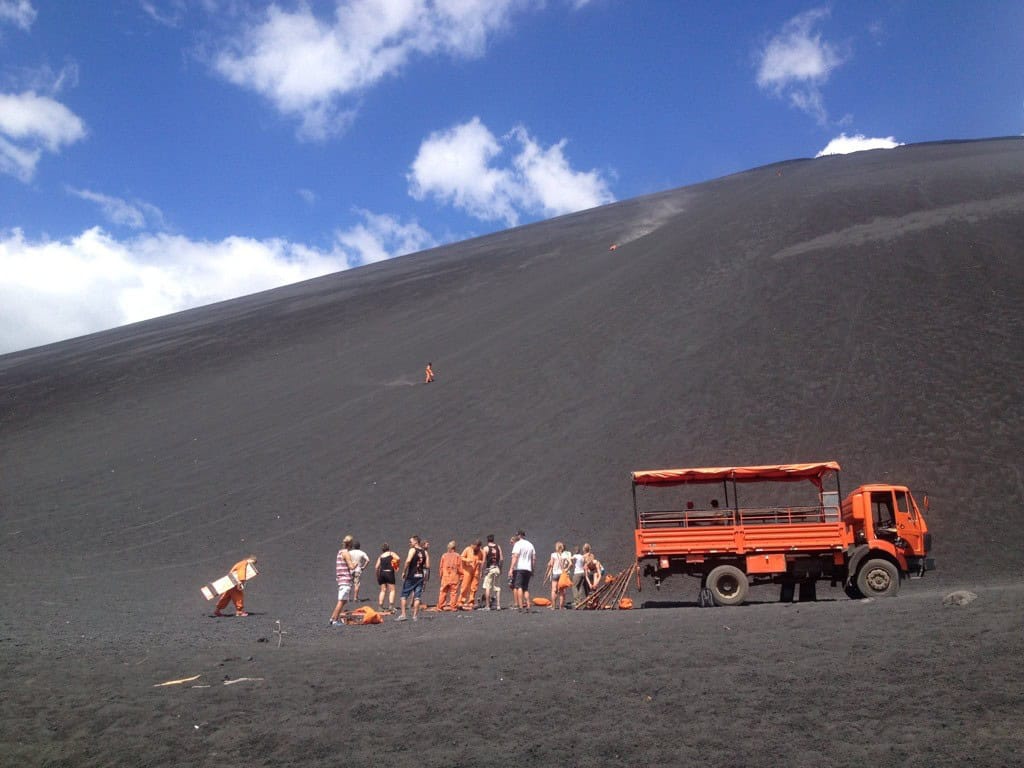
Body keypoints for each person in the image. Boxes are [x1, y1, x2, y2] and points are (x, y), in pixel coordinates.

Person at [397, 535, 428, 622]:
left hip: (411, 576)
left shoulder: (412, 550)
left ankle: (403, 615)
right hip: (420, 576)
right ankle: (415, 616)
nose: (409, 543)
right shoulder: (424, 552)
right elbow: (427, 565)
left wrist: (404, 571)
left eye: (410, 541)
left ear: (415, 542)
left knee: (404, 595)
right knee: (417, 597)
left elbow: (408, 560)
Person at [330, 540, 358, 626]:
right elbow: (351, 567)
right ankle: (334, 620)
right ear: (350, 544)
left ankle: (333, 618)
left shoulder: (340, 552)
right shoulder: (346, 553)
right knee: (341, 601)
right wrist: (356, 564)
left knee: (343, 600)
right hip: (345, 580)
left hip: (341, 579)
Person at [508, 530, 536, 612]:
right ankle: (528, 605)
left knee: (518, 587)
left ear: (520, 535)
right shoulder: (530, 545)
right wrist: (532, 569)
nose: (516, 536)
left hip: (519, 568)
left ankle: (520, 606)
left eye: (517, 535)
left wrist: (511, 568)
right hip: (528, 569)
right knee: (526, 588)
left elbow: (515, 556)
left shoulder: (517, 544)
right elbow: (533, 558)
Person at [458, 540, 484, 609]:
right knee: (465, 586)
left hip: (476, 571)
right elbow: (461, 557)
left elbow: (483, 561)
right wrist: (467, 560)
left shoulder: (480, 552)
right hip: (467, 570)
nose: (477, 548)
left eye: (479, 547)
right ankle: (461, 601)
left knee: (474, 587)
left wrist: (479, 562)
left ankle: (471, 601)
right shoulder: (467, 549)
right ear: (474, 545)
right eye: (477, 547)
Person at [480, 534, 503, 610]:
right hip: (497, 568)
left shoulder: (486, 548)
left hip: (489, 569)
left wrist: (481, 571)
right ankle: (498, 605)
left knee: (487, 587)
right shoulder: (498, 547)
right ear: (493, 539)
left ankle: (487, 605)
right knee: (497, 587)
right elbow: (501, 559)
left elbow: (483, 561)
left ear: (487, 540)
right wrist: (501, 568)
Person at [437, 541, 462, 611]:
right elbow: (460, 567)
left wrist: (441, 575)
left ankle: (440, 606)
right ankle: (453, 607)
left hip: (445, 577)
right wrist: (461, 576)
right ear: (454, 548)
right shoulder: (457, 556)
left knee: (443, 592)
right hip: (454, 577)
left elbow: (441, 567)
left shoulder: (444, 556)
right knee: (453, 592)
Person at [375, 543, 400, 612]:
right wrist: (395, 565)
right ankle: (391, 606)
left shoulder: (381, 556)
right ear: (388, 548)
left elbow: (376, 567)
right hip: (389, 573)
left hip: (382, 573)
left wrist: (377, 575)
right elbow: (398, 558)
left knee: (383, 590)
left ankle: (380, 606)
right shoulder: (391, 553)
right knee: (392, 590)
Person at [548, 542, 572, 609]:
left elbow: (551, 565)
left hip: (555, 573)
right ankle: (561, 607)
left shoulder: (553, 555)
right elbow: (570, 563)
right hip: (562, 574)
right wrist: (566, 569)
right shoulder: (565, 555)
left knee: (554, 590)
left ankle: (553, 606)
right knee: (561, 591)